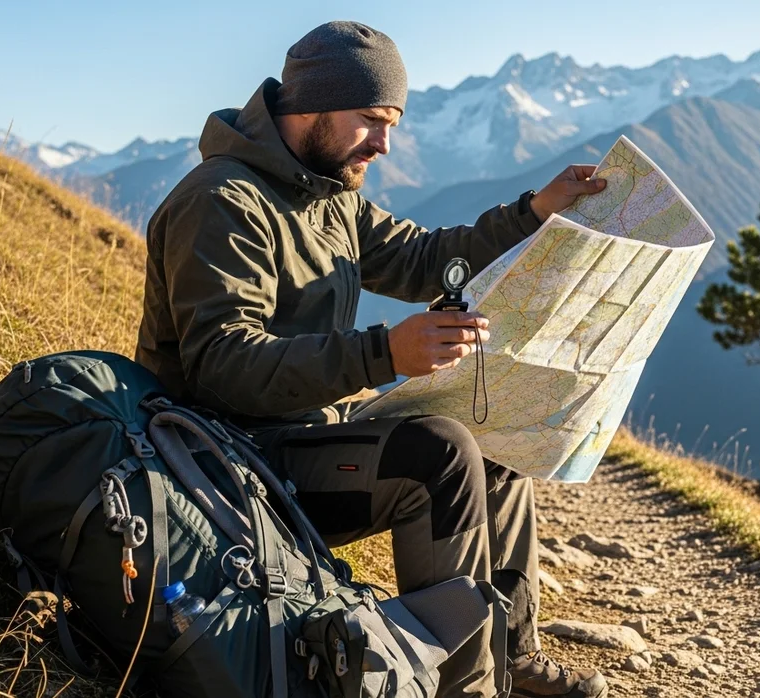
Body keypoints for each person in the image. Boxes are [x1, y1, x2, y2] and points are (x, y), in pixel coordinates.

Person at [135, 20, 610, 698]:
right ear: (315, 105)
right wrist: (383, 352)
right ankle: (460, 682)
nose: (385, 145)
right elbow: (222, 363)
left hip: (299, 438)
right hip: (227, 462)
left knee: (494, 434)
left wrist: (535, 211)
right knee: (435, 452)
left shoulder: (327, 195)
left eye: (393, 123)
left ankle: (510, 650)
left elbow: (423, 259)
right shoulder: (222, 202)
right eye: (372, 121)